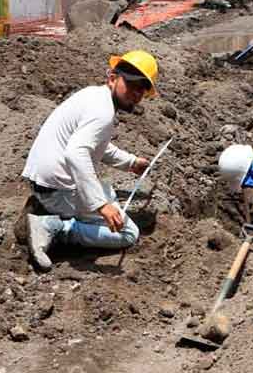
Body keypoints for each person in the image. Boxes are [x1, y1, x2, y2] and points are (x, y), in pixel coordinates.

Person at [20, 50, 160, 271]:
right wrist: (101, 205)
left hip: (45, 182)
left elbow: (96, 146)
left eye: (142, 89)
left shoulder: (95, 97)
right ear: (112, 78)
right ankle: (54, 226)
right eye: (132, 85)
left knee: (107, 192)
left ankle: (55, 211)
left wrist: (130, 162)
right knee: (128, 233)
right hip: (56, 191)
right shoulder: (103, 112)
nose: (136, 94)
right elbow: (77, 153)